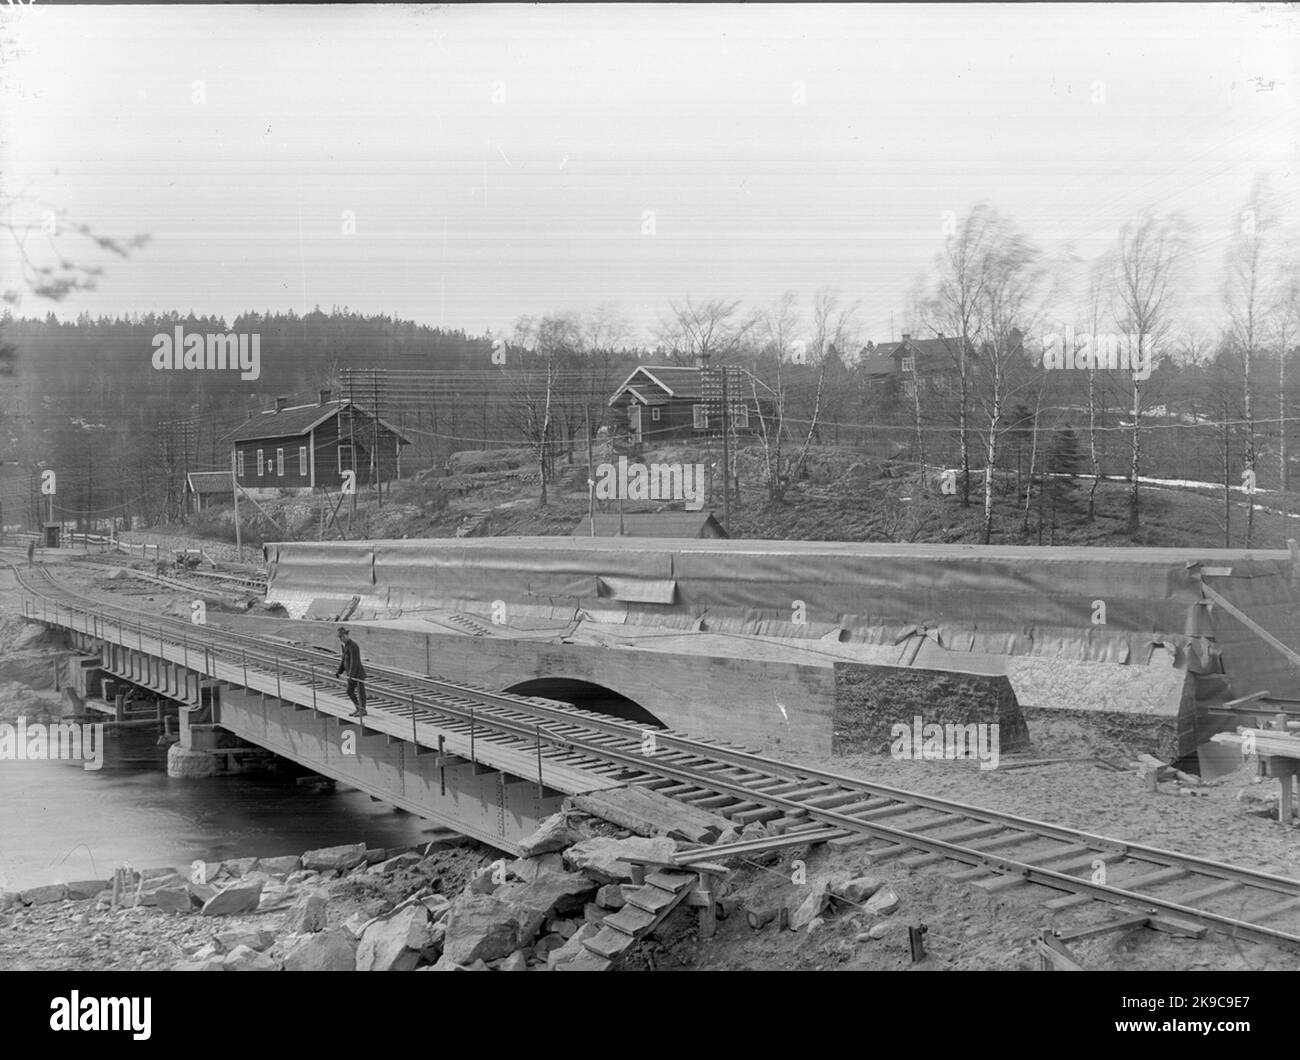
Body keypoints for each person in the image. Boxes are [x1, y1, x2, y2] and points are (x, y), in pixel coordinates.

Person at [335, 626, 367, 717]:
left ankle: (363, 710)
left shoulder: (353, 645)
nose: (341, 638)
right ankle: (358, 709)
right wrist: (339, 671)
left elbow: (355, 661)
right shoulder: (346, 646)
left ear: (347, 635)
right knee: (349, 691)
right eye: (340, 637)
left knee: (361, 692)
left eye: (343, 636)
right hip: (351, 675)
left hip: (357, 674)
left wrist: (351, 676)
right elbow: (344, 660)